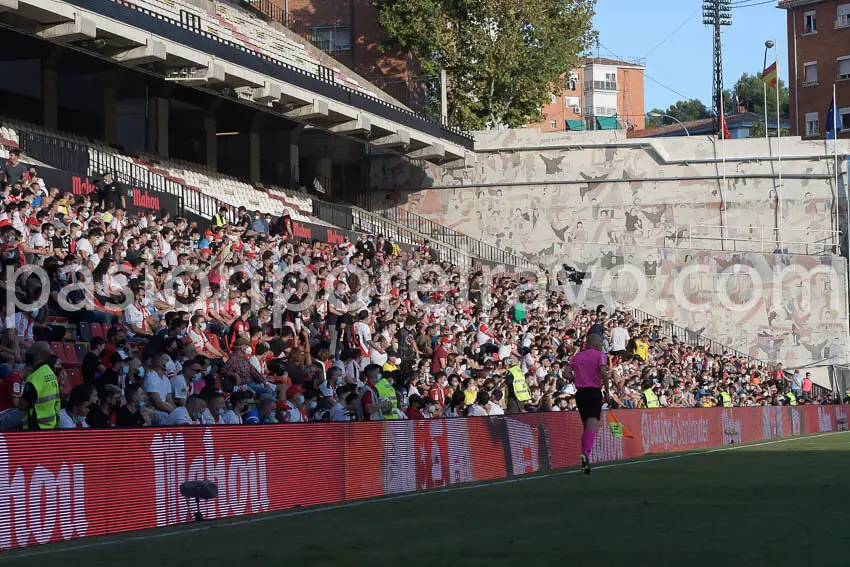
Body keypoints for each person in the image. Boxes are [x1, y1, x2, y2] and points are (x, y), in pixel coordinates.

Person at [568, 333, 609, 474]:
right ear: (596, 344)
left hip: (580, 393)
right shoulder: (600, 355)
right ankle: (586, 455)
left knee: (586, 425)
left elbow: (565, 373)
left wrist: (577, 379)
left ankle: (585, 456)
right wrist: (607, 391)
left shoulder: (577, 357)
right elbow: (603, 372)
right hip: (593, 392)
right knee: (592, 423)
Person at [21, 342, 60, 429]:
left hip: (36, 426)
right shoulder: (50, 373)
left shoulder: (34, 378)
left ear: (36, 355)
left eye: (30, 350)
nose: (28, 352)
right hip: (50, 425)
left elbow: (22, 405)